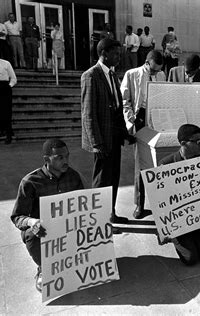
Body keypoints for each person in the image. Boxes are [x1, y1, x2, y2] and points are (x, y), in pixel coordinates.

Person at [11, 139, 84, 292]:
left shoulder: (73, 176)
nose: (66, 161)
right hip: (44, 229)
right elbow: (17, 217)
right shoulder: (30, 182)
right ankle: (44, 268)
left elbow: (84, 204)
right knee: (31, 235)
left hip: (69, 226)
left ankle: (70, 262)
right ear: (46, 159)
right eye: (60, 158)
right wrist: (32, 222)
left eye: (67, 156)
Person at [81, 38, 136, 226]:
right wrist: (97, 143)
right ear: (104, 54)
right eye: (116, 54)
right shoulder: (90, 76)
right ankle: (100, 223)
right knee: (101, 183)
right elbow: (88, 114)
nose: (119, 57)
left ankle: (110, 214)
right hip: (102, 141)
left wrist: (126, 133)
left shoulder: (112, 75)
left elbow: (117, 109)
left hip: (114, 138)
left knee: (113, 179)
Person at [158, 124, 200, 265]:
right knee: (190, 259)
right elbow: (160, 200)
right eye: (197, 141)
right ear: (183, 143)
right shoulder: (166, 164)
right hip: (179, 223)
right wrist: (165, 230)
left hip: (199, 220)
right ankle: (177, 239)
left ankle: (197, 238)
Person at [121, 49, 165, 219]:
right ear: (147, 63)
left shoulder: (161, 75)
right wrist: (132, 121)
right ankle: (139, 204)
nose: (155, 73)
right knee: (141, 163)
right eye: (153, 70)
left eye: (158, 70)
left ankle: (161, 203)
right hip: (139, 119)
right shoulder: (132, 74)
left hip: (156, 120)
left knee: (158, 162)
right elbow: (125, 100)